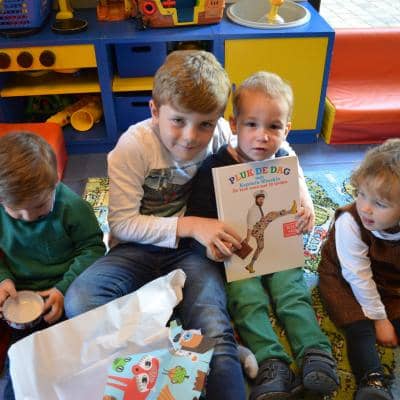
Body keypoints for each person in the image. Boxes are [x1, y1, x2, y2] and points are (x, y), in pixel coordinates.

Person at [64, 50, 248, 400]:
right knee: (80, 301)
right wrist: (191, 225)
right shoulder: (133, 147)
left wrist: (299, 187)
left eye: (205, 124)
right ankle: (179, 346)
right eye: (178, 120)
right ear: (154, 111)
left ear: (218, 120)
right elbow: (122, 223)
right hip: (135, 249)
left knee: (214, 327)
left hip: (191, 253)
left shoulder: (222, 133)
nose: (190, 136)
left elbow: (272, 142)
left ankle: (203, 349)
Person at [185, 71, 339, 400]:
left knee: (292, 292)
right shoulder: (213, 167)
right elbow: (199, 220)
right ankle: (272, 362)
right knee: (246, 299)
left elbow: (292, 206)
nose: (262, 136)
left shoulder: (284, 163)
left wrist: (304, 213)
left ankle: (316, 353)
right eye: (251, 124)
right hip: (238, 257)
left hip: (280, 250)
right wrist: (212, 246)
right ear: (234, 124)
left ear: (287, 130)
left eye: (273, 127)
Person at [0, 132, 106, 400]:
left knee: (77, 359)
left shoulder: (73, 207)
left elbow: (93, 248)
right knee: (20, 366)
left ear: (55, 183)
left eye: (39, 206)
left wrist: (63, 287)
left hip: (65, 291)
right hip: (19, 301)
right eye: (17, 211)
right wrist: (3, 278)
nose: (28, 217)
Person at [318, 138, 400, 400]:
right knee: (358, 324)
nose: (364, 207)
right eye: (362, 194)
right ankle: (372, 380)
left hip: (389, 279)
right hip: (343, 277)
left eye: (380, 204)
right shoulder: (351, 222)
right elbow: (358, 275)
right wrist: (379, 318)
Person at [244, 189, 297, 273]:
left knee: (260, 247)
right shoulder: (253, 210)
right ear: (256, 199)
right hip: (256, 229)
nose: (261, 201)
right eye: (260, 199)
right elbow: (249, 225)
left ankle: (250, 265)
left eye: (262, 199)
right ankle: (291, 211)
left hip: (260, 230)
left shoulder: (258, 208)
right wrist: (247, 238)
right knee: (271, 215)